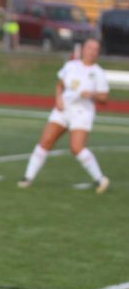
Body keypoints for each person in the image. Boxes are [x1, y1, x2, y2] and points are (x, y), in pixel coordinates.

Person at [18, 38, 110, 194]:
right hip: (64, 109)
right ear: (83, 49)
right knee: (45, 142)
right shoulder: (71, 66)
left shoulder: (98, 73)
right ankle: (27, 178)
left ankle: (100, 179)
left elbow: (104, 98)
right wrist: (58, 99)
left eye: (95, 49)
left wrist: (92, 94)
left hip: (82, 112)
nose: (92, 51)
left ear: (98, 53)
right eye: (89, 48)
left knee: (76, 148)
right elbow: (60, 85)